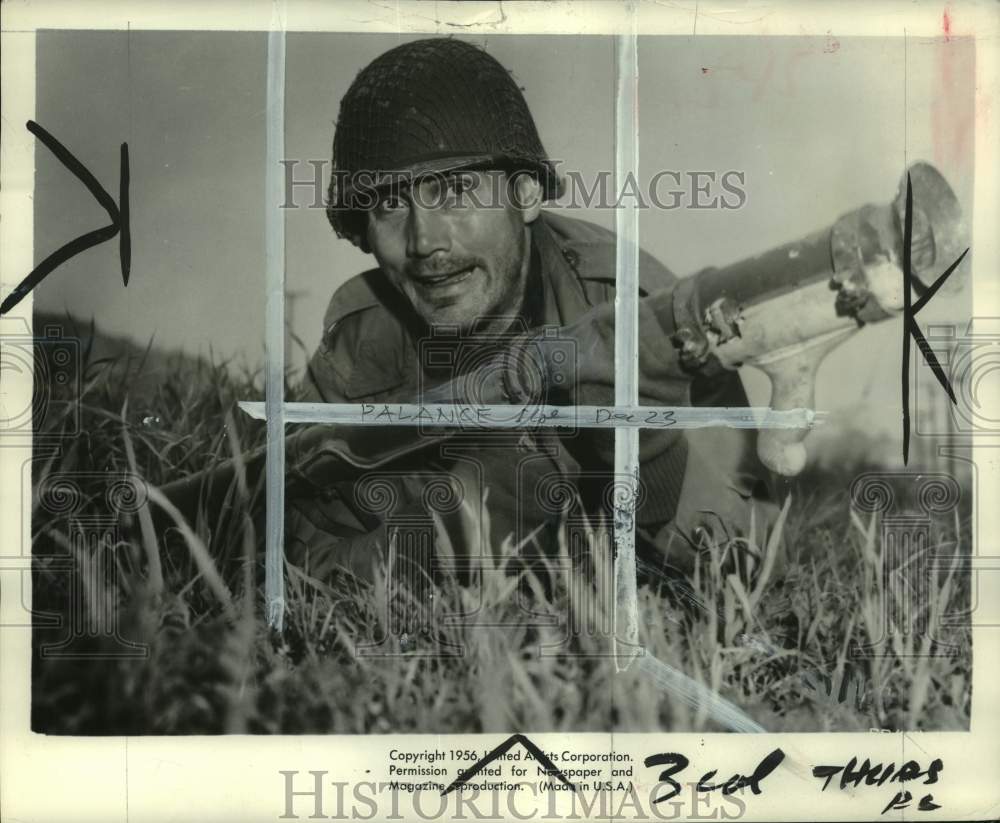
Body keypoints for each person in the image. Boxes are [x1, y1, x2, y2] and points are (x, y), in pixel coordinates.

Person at [287, 37, 777, 590]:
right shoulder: (363, 338)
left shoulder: (635, 313)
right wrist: (476, 520)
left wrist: (647, 451)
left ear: (525, 194)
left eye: (455, 192)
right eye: (390, 205)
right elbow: (294, 553)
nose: (425, 242)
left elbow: (749, 564)